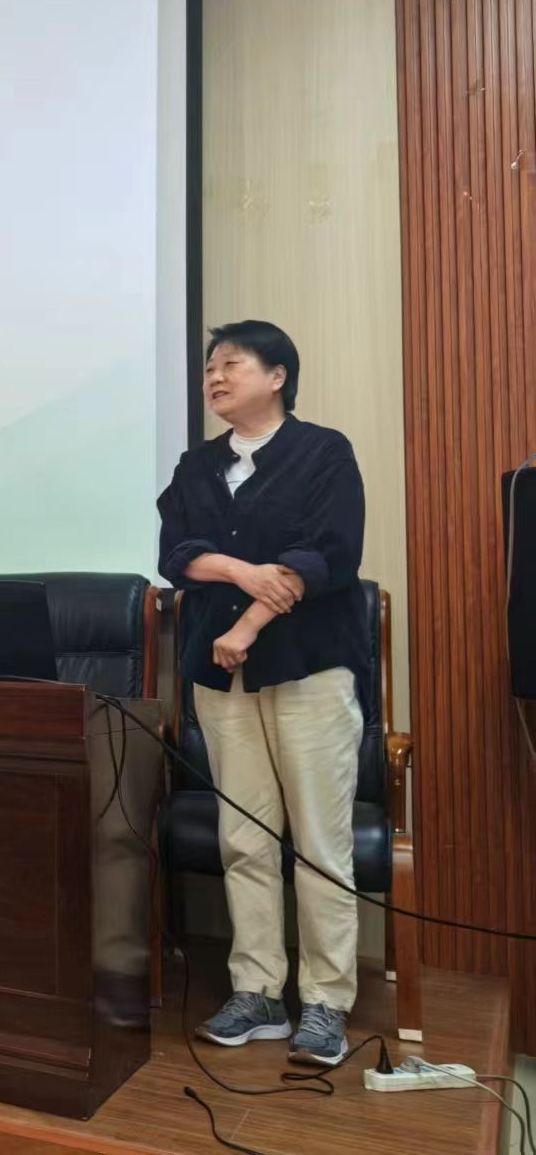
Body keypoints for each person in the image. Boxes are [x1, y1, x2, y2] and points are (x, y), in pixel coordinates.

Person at [157, 320, 368, 1067]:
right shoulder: (197, 464)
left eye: (232, 365)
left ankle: (326, 1000)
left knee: (318, 842)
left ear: (278, 376)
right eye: (209, 368)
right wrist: (241, 573)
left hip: (307, 668)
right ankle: (257, 991)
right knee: (243, 837)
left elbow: (327, 555)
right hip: (221, 677)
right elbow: (176, 553)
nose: (214, 378)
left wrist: (247, 620)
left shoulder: (323, 452)